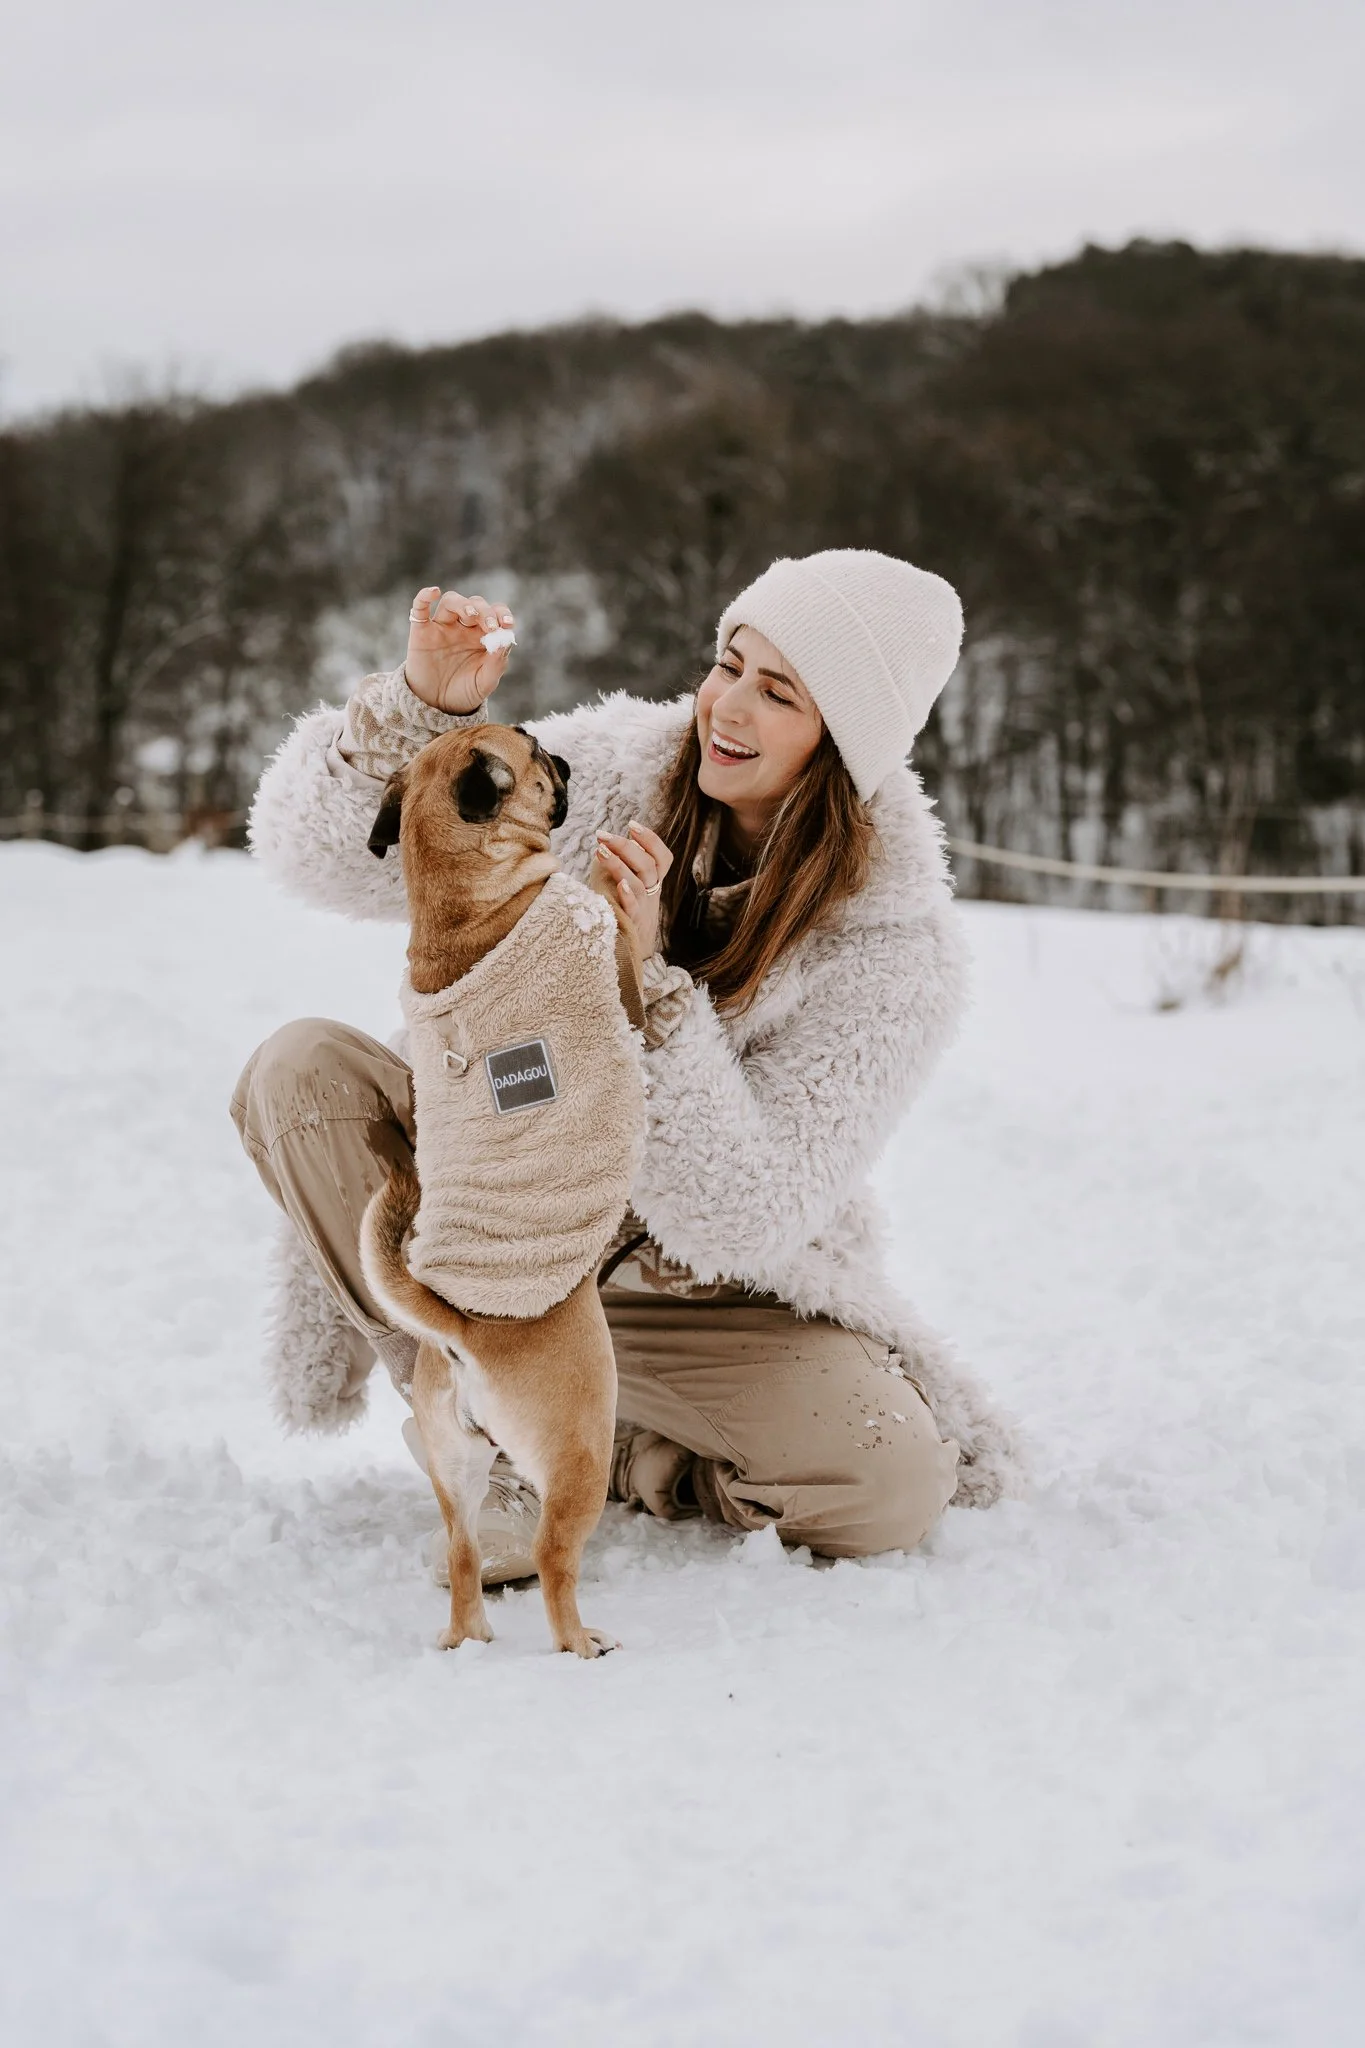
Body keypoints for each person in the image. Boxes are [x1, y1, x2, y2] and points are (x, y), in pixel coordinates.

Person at [232, 549, 1019, 1580]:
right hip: (494, 1218)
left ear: (844, 741)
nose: (725, 707)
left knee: (888, 1481)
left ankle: (627, 1454)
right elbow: (323, 857)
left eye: (776, 691)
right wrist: (420, 713)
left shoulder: (895, 952)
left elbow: (739, 1213)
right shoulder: (607, 773)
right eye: (729, 662)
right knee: (299, 1075)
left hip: (690, 1293)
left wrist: (646, 987)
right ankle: (482, 1415)